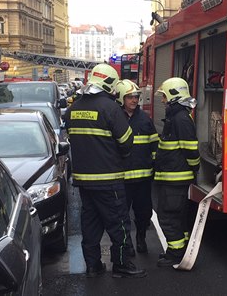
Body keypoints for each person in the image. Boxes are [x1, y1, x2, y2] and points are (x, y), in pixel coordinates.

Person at [62, 64, 146, 278]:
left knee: (90, 224)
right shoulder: (110, 108)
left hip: (83, 181)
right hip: (109, 180)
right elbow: (127, 142)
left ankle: (93, 265)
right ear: (109, 83)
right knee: (119, 223)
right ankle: (121, 264)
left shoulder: (74, 108)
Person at [154, 77, 200, 267]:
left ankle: (175, 253)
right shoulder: (178, 115)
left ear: (173, 95)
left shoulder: (180, 118)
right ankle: (181, 249)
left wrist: (194, 166)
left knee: (168, 216)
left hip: (175, 177)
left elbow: (190, 148)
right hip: (173, 177)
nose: (162, 100)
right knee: (177, 215)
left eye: (164, 96)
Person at [115, 79, 158, 256]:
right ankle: (128, 244)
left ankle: (141, 238)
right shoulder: (115, 117)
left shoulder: (144, 119)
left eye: (136, 97)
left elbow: (154, 144)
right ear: (121, 98)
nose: (134, 100)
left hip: (143, 179)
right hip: (122, 179)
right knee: (122, 214)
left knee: (144, 213)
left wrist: (154, 165)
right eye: (130, 97)